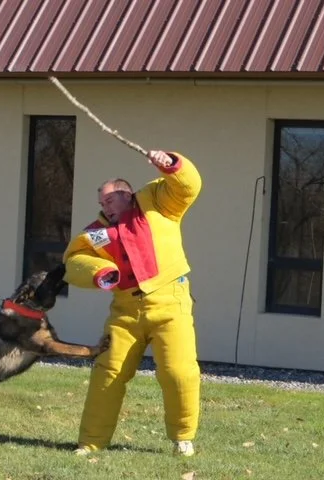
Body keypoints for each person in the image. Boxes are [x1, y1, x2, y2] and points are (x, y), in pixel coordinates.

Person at [62, 149, 202, 457]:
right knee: (107, 372)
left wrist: (172, 164)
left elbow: (188, 186)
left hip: (171, 304)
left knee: (179, 372)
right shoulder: (97, 232)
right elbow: (73, 260)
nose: (105, 207)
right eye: (102, 203)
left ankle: (183, 438)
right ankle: (90, 443)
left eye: (110, 200)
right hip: (125, 311)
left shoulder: (157, 201)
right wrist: (100, 271)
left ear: (127, 194)